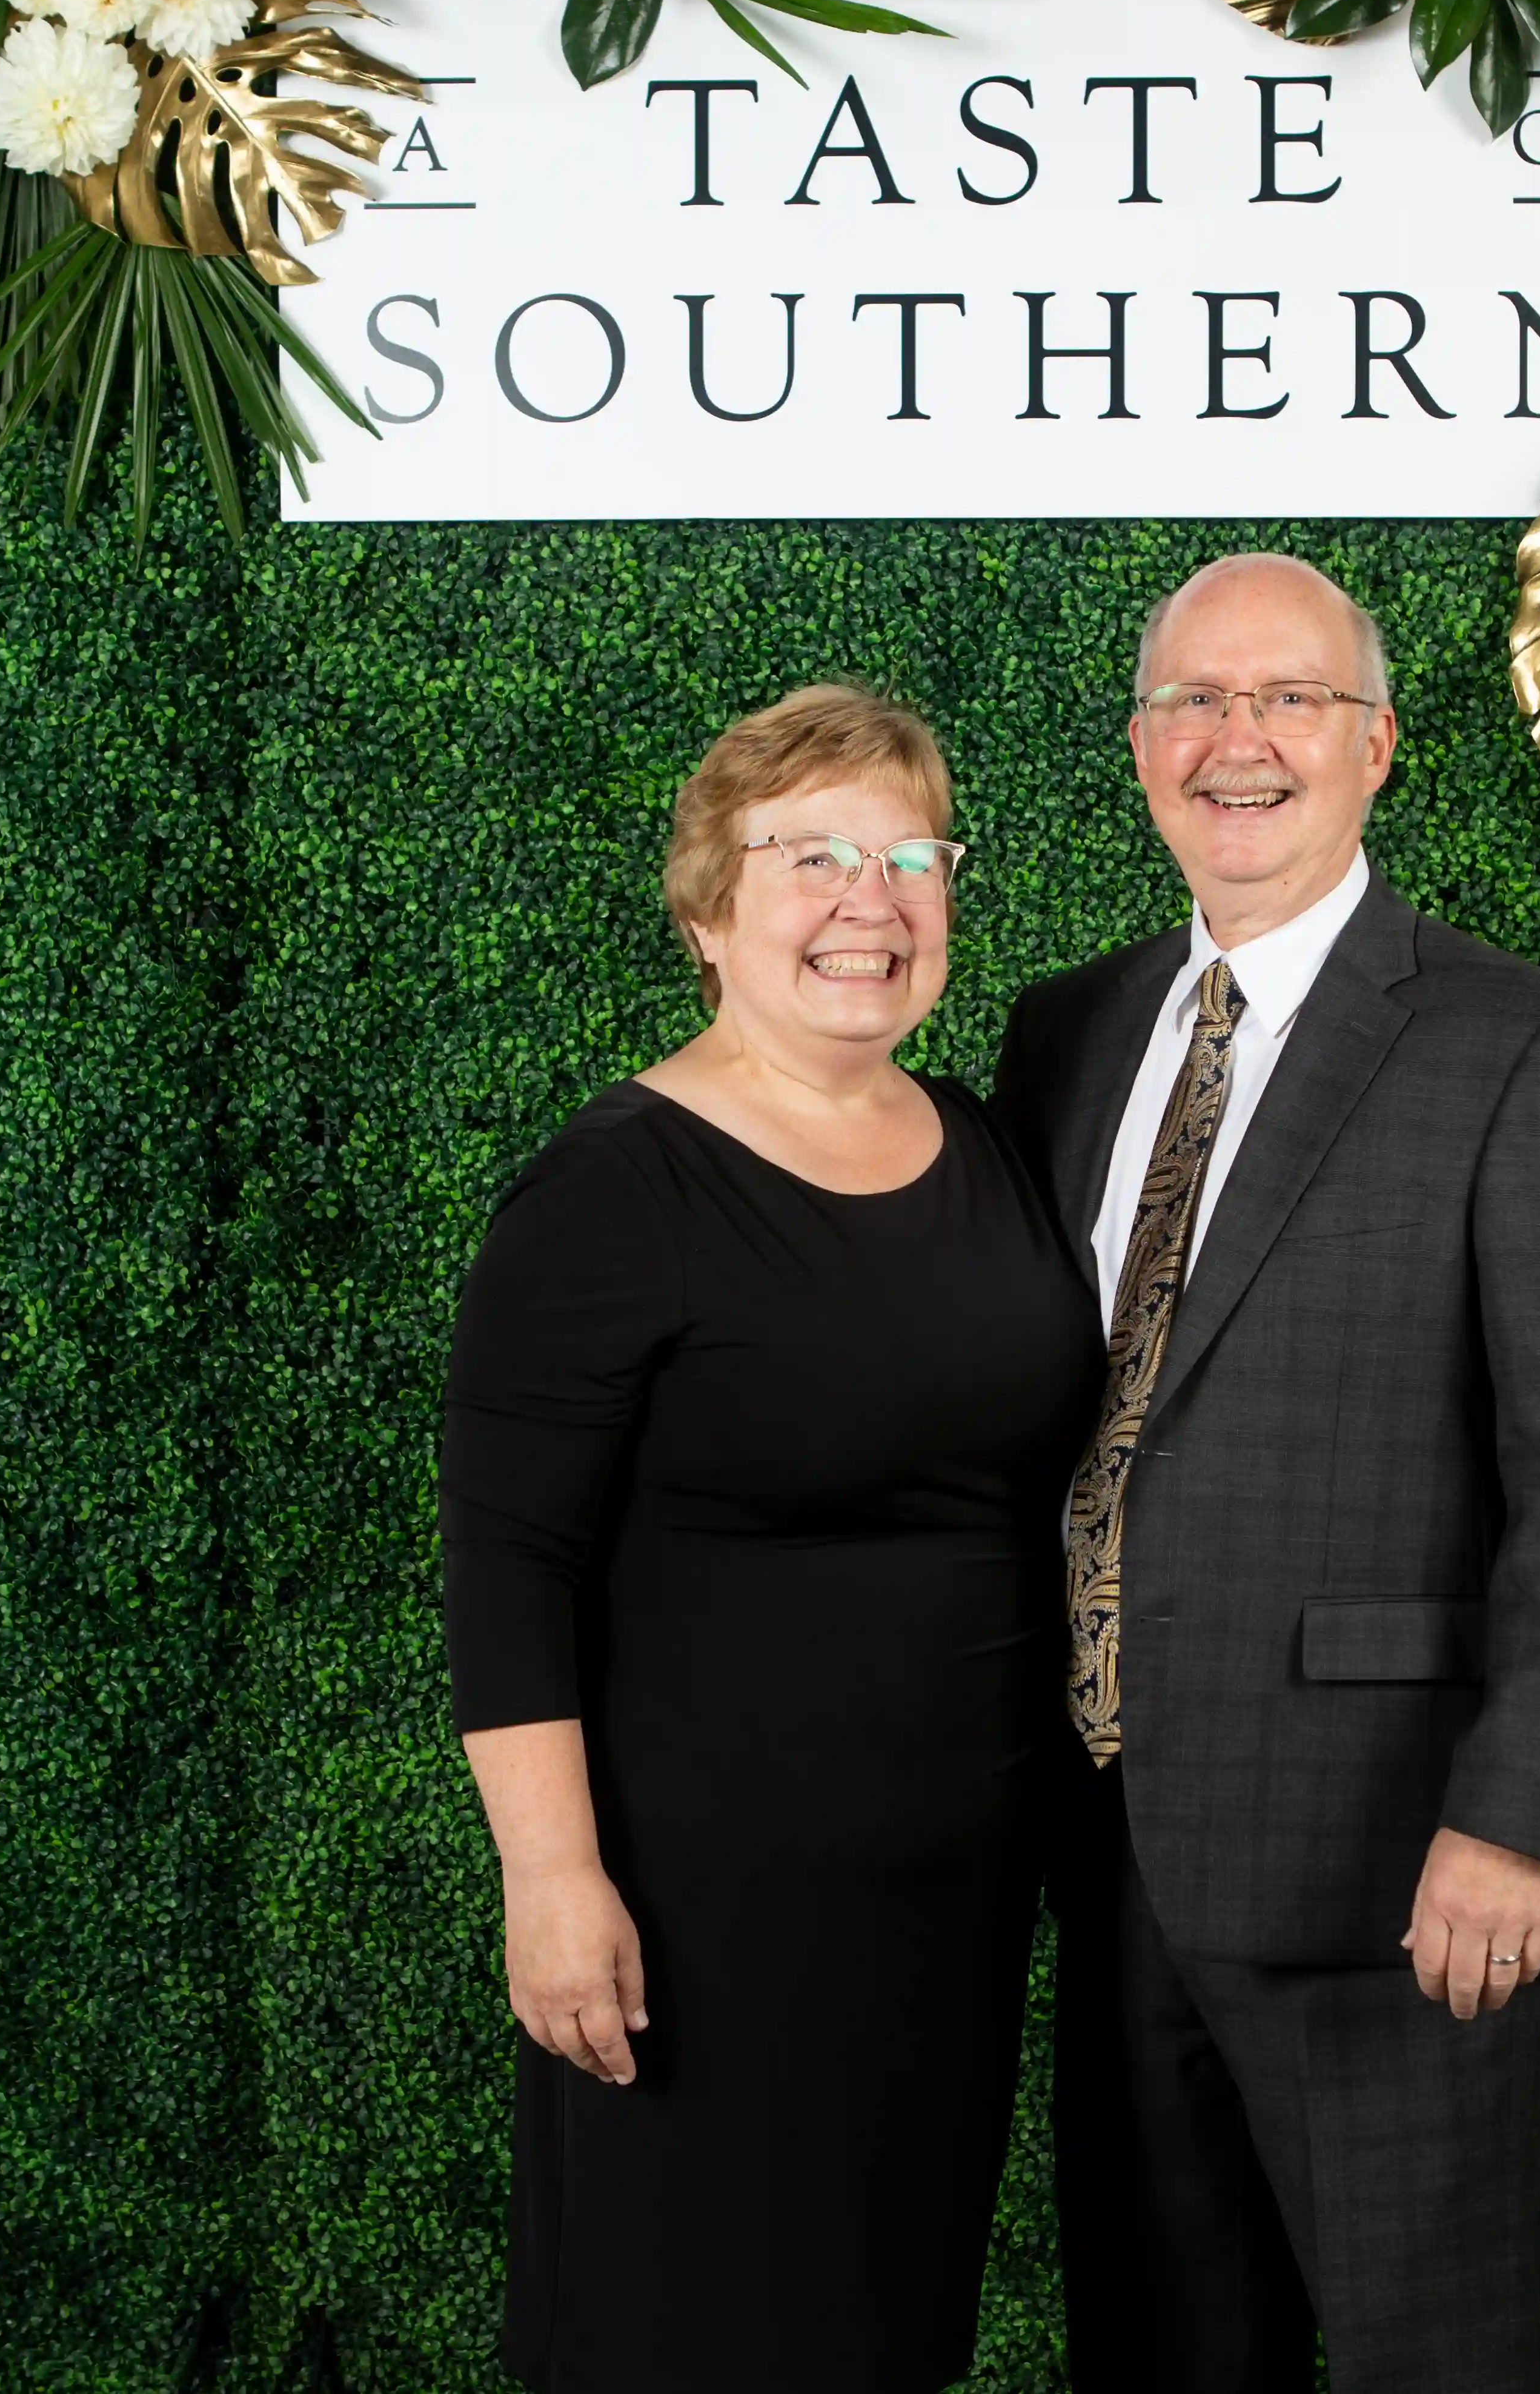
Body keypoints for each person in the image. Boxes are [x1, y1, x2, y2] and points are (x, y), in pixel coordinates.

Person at [988, 554, 1540, 2394]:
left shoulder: (1524, 1046)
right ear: (1140, 749)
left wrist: (1523, 1817)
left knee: (1427, 2363)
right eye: (1192, 704)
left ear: (1379, 743)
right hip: (1111, 1840)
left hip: (1399, 1873)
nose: (1239, 741)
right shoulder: (1062, 1034)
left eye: (1288, 699)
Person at [436, 684, 1104, 2394]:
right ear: (709, 913)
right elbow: (511, 1571)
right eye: (811, 856)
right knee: (689, 2333)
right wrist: (553, 1878)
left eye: (906, 854)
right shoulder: (609, 1190)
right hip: (697, 1916)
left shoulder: (986, 1144)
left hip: (949, 1902)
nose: (868, 899)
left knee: (881, 2336)